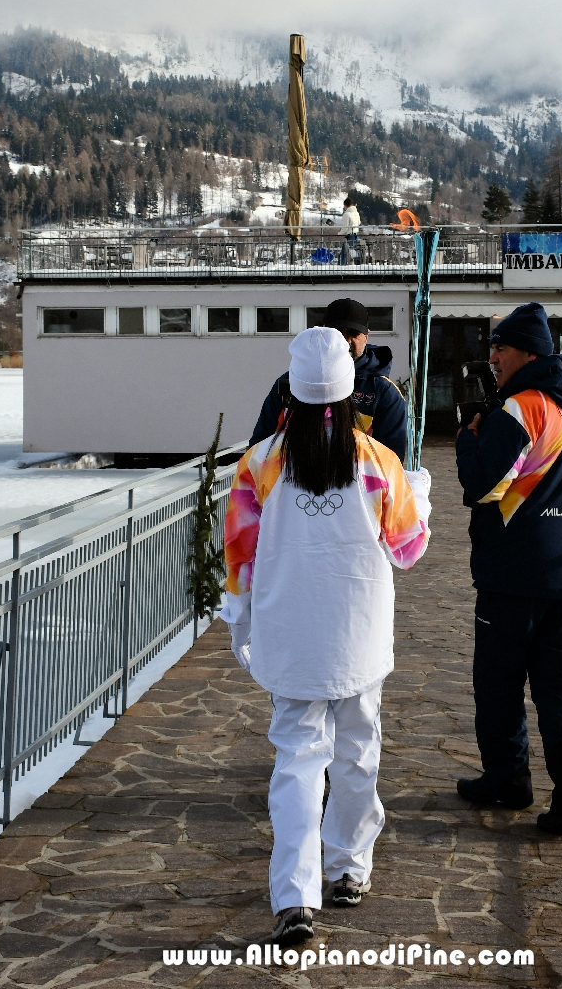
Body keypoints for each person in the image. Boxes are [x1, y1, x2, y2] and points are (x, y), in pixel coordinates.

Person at [222, 327, 431, 946]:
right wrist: (420, 499)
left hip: (291, 633)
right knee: (358, 749)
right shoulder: (378, 462)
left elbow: (240, 556)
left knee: (297, 760)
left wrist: (240, 617)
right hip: (358, 634)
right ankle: (349, 868)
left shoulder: (258, 464)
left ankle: (294, 897)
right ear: (347, 397)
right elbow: (409, 549)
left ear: (292, 392)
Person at [454, 301, 562, 834]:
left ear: (529, 353)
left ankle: (508, 780)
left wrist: (470, 440)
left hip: (514, 575)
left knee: (498, 683)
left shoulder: (521, 409)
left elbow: (482, 487)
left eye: (501, 347)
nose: (491, 355)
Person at [250, 297, 408, 461]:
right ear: (324, 332)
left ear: (366, 336)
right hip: (290, 483)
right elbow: (259, 447)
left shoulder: (383, 391)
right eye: (338, 332)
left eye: (354, 333)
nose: (346, 341)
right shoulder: (292, 382)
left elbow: (391, 462)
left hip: (356, 485)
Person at [338, 196, 361, 265]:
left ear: (345, 205)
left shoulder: (346, 214)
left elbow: (345, 228)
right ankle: (359, 265)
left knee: (344, 253)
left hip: (350, 236)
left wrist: (339, 233)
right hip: (356, 235)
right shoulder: (356, 213)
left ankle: (340, 267)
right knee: (358, 251)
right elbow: (359, 223)